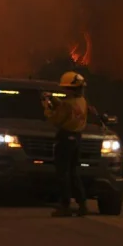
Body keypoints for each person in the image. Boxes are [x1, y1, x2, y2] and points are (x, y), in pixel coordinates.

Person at [44, 71, 89, 217]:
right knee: (73, 172)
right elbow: (67, 108)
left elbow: (56, 119)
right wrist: (53, 99)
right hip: (77, 138)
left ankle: (65, 206)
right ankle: (82, 204)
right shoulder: (82, 101)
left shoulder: (68, 104)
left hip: (65, 138)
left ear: (70, 88)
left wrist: (47, 107)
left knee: (62, 173)